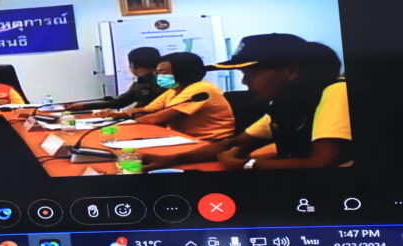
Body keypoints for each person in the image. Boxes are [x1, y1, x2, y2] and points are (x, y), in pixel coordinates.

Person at [140, 35, 351, 171]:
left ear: (291, 71)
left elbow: (322, 162)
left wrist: (248, 164)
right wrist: (171, 160)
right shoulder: (285, 104)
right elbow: (233, 144)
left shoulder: (336, 91)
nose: (244, 82)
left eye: (253, 74)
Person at [102, 53, 234, 142]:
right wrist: (119, 114)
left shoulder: (201, 88)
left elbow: (153, 118)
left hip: (210, 142)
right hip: (183, 139)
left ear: (182, 72)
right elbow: (147, 110)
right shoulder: (174, 90)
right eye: (158, 73)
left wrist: (130, 116)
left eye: (163, 72)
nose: (158, 77)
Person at [67, 46, 164, 111]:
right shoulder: (164, 81)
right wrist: (83, 106)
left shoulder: (141, 85)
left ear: (132, 65)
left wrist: (83, 106)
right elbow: (119, 102)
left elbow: (119, 103)